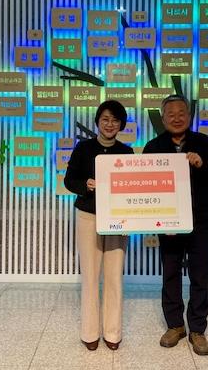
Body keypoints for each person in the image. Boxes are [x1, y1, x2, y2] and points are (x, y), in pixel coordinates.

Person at [143, 94, 208, 356]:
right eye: (171, 114)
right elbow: (146, 185)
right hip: (168, 222)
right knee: (170, 273)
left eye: (182, 113)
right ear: (163, 118)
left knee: (200, 274)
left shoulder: (203, 142)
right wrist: (156, 218)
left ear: (189, 116)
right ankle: (175, 325)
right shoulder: (153, 147)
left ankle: (197, 329)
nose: (177, 118)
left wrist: (202, 164)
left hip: (200, 220)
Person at [64, 100, 133, 351]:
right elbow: (69, 180)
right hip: (89, 216)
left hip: (117, 218)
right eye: (105, 119)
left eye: (115, 120)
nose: (110, 124)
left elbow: (132, 186)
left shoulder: (127, 152)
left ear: (121, 124)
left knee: (114, 276)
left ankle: (113, 333)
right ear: (97, 121)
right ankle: (90, 332)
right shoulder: (83, 148)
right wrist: (86, 184)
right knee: (91, 276)